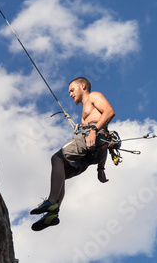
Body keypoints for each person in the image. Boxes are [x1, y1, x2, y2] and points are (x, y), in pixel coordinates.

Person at [30, 77, 115, 231]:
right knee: (62, 173)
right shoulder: (84, 114)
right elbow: (104, 140)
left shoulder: (94, 96)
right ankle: (53, 214)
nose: (70, 94)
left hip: (93, 137)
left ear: (83, 86)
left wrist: (93, 131)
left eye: (72, 90)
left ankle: (51, 201)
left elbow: (109, 112)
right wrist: (101, 168)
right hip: (95, 150)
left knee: (57, 159)